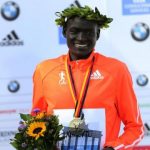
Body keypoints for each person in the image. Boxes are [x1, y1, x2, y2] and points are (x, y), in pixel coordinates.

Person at [31, 5, 144, 150]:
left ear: (97, 35)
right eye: (75, 31)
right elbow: (36, 121)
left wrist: (113, 148)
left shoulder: (116, 70)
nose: (81, 38)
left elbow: (136, 127)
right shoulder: (45, 70)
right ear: (64, 32)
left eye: (89, 33)